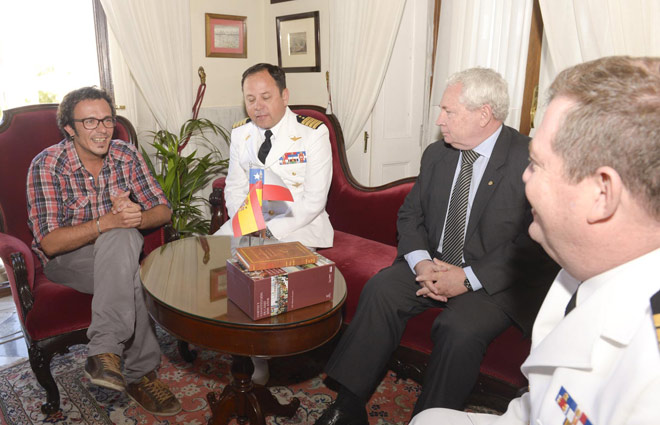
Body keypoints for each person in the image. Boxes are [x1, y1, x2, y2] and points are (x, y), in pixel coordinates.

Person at [410, 56, 660, 425]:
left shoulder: (647, 370)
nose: (524, 178)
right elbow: (537, 409)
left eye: (537, 164)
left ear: (602, 194)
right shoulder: (574, 275)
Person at [314, 68, 559, 425]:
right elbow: (410, 215)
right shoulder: (437, 154)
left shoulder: (529, 159)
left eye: (448, 111)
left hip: (495, 282)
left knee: (459, 328)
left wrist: (468, 278)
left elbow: (533, 243)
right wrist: (421, 264)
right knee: (382, 288)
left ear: (483, 114)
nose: (439, 120)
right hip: (435, 263)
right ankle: (348, 404)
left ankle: (430, 418)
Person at [26, 87, 181, 416]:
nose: (102, 129)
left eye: (107, 119)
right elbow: (50, 243)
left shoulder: (125, 154)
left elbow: (163, 211)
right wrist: (105, 222)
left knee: (124, 243)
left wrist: (135, 217)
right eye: (90, 121)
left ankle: (104, 355)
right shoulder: (48, 165)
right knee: (122, 242)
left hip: (118, 252)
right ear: (70, 128)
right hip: (66, 260)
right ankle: (139, 373)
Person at [214, 62, 333, 249]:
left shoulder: (313, 133)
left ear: (284, 96)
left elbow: (313, 201)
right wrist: (247, 222)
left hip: (297, 226)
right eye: (250, 99)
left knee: (275, 275)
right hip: (249, 223)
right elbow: (235, 188)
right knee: (212, 260)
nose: (257, 107)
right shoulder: (240, 133)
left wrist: (269, 230)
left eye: (266, 97)